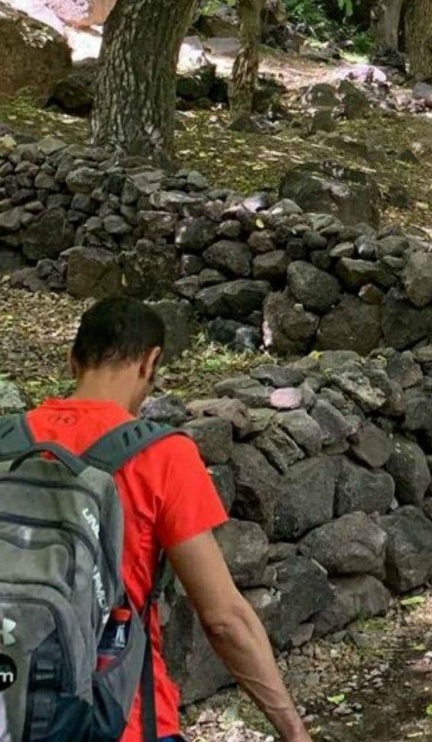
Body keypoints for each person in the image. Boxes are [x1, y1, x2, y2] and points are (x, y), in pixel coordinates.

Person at [15, 298, 311, 742]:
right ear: (151, 361)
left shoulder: (7, 442)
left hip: (14, 709)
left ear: (72, 360)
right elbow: (223, 619)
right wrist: (294, 732)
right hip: (117, 718)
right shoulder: (160, 455)